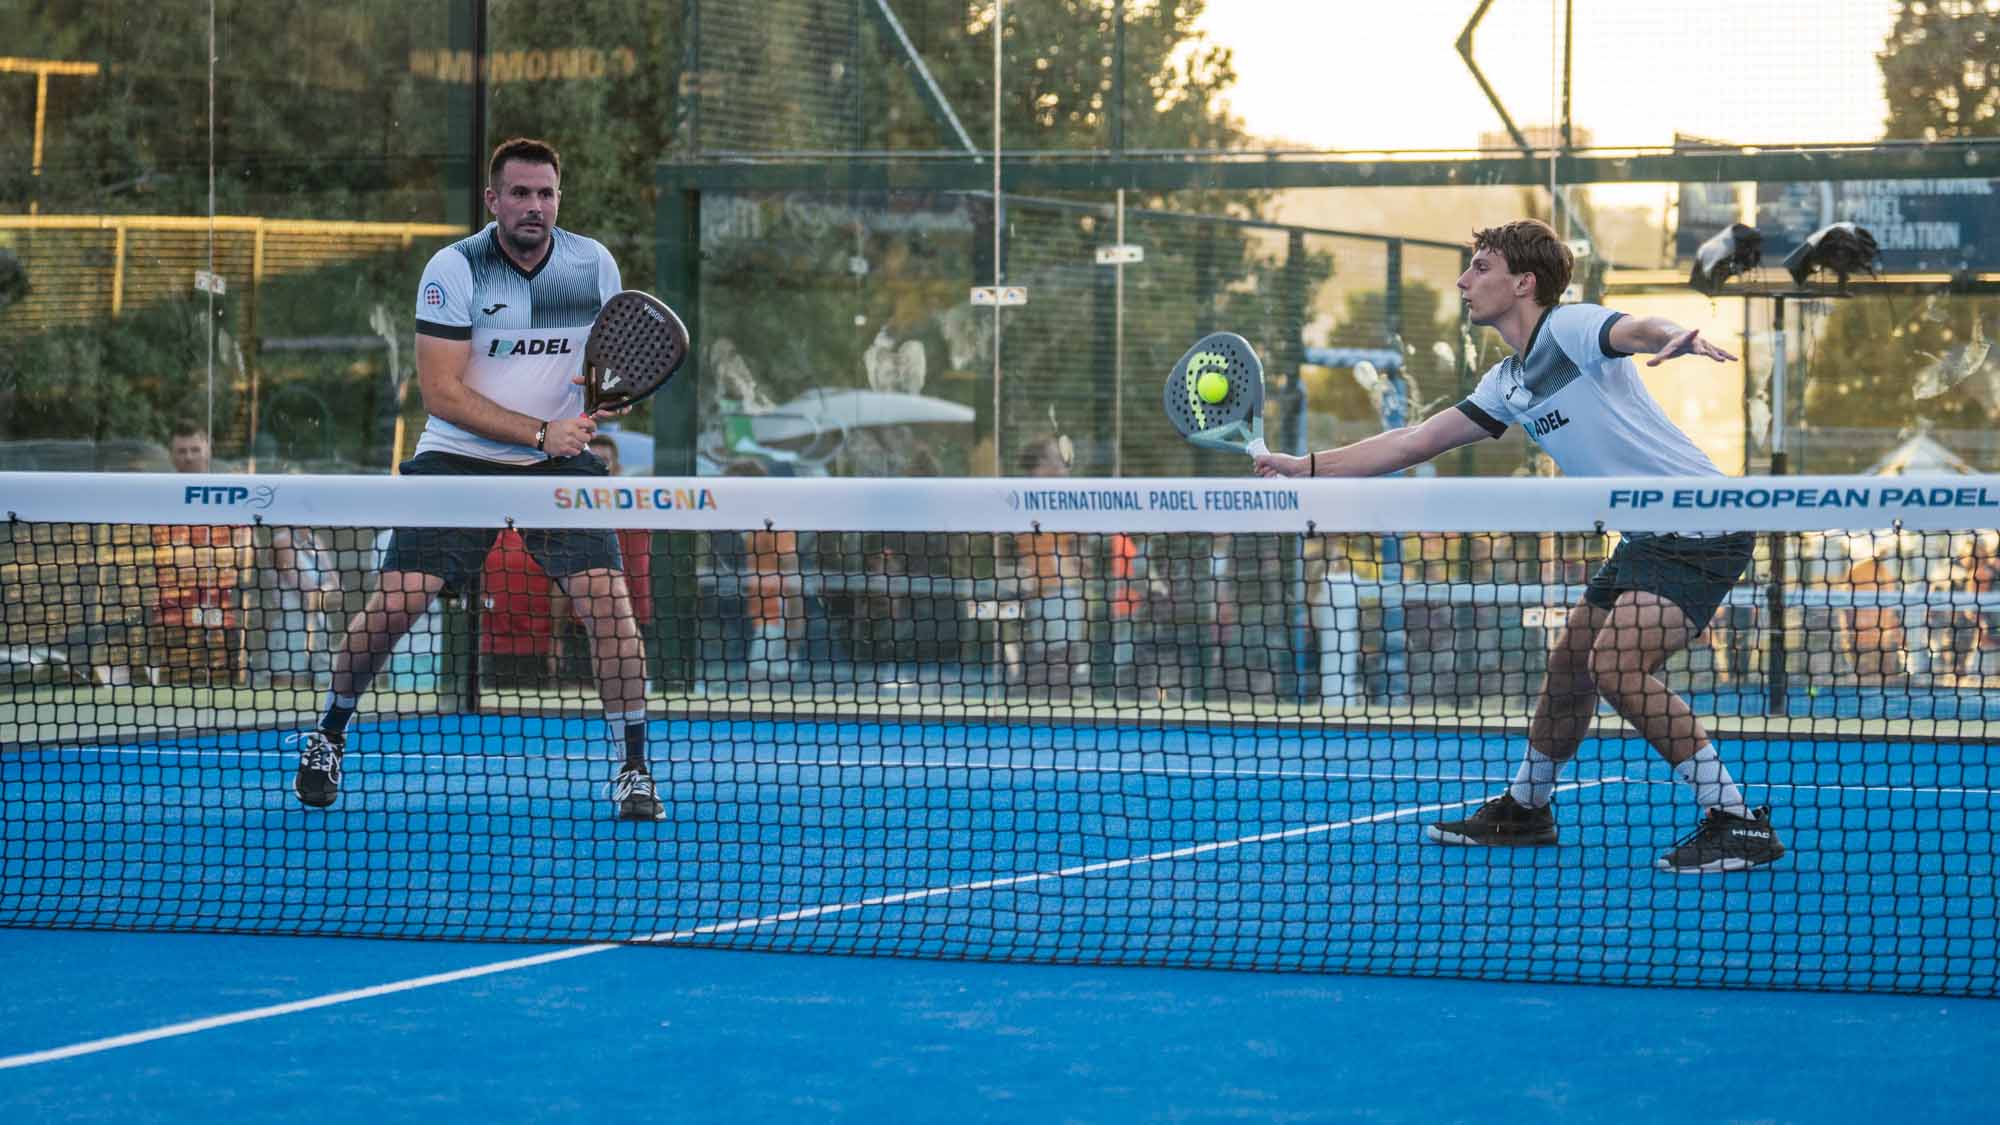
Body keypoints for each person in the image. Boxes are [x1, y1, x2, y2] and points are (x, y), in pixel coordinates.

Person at [1255, 218, 1784, 873]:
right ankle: (1527, 808)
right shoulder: (1507, 383)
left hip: (1703, 526)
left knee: (1616, 667)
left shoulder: (1569, 329)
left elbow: (1632, 330)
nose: (1463, 281)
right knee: (1570, 666)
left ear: (1524, 283)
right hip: (1646, 536)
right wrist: (1304, 467)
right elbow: (1412, 442)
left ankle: (1736, 819)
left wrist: (1672, 335)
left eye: (1480, 267)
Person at [291, 137, 661, 821]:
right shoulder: (455, 268)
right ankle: (329, 733)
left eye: (545, 193)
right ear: (494, 200)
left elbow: (602, 367)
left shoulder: (593, 264)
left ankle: (634, 768)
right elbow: (442, 393)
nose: (534, 206)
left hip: (557, 466)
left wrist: (606, 398)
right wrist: (541, 432)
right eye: (520, 193)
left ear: (559, 199)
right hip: (458, 458)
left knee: (610, 608)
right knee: (397, 604)